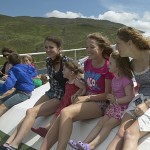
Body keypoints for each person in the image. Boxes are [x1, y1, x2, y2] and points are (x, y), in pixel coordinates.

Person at [39, 32, 114, 150]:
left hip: (100, 103)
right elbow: (85, 84)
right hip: (85, 98)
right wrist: (79, 93)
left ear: (102, 48)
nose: (88, 50)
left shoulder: (108, 66)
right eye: (87, 47)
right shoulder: (87, 62)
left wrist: (87, 98)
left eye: (92, 47)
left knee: (65, 112)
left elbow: (107, 94)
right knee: (60, 117)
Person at [0, 36, 70, 150]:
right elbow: (51, 81)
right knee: (29, 114)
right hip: (51, 92)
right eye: (46, 47)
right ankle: (9, 141)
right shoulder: (48, 61)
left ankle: (14, 145)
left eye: (51, 47)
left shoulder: (66, 61)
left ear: (59, 48)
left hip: (61, 96)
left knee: (32, 112)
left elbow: (77, 77)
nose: (47, 50)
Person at [69, 50, 134, 150]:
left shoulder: (125, 80)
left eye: (111, 63)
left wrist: (115, 100)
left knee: (107, 125)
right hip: (113, 107)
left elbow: (130, 97)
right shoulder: (114, 79)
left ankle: (91, 146)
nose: (108, 64)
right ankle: (83, 143)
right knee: (100, 123)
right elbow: (113, 93)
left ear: (119, 67)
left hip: (122, 110)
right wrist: (111, 98)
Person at [107, 26, 150, 150]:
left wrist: (147, 105)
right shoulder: (131, 64)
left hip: (147, 103)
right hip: (140, 99)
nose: (116, 47)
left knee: (131, 133)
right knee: (121, 133)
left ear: (129, 43)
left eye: (118, 43)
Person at [31, 60, 86, 137]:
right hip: (64, 102)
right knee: (56, 114)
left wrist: (78, 96)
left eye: (64, 70)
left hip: (69, 103)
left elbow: (84, 88)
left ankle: (47, 129)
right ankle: (47, 128)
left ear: (71, 73)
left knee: (59, 115)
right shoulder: (68, 82)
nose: (62, 71)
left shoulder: (75, 81)